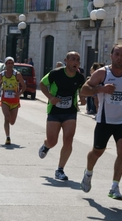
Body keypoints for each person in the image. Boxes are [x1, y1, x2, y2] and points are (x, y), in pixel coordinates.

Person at [80, 44, 122, 201]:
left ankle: (114, 187)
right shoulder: (102, 73)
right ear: (111, 56)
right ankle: (88, 173)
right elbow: (84, 90)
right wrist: (101, 90)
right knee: (97, 152)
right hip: (104, 120)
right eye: (117, 54)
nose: (119, 57)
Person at [38, 51, 86, 181]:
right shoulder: (56, 73)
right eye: (73, 59)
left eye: (78, 60)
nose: (75, 62)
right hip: (54, 110)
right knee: (52, 141)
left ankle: (60, 169)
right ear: (66, 60)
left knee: (68, 139)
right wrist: (50, 97)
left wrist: (82, 98)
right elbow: (42, 84)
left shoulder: (80, 77)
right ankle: (46, 146)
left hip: (70, 111)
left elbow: (81, 89)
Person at [0, 57, 26, 145]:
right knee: (6, 118)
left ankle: (8, 133)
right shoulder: (2, 74)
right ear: (5, 64)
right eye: (8, 63)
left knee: (12, 122)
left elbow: (24, 86)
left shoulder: (17, 74)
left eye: (11, 63)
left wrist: (19, 93)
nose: (10, 65)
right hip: (5, 100)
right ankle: (8, 137)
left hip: (15, 101)